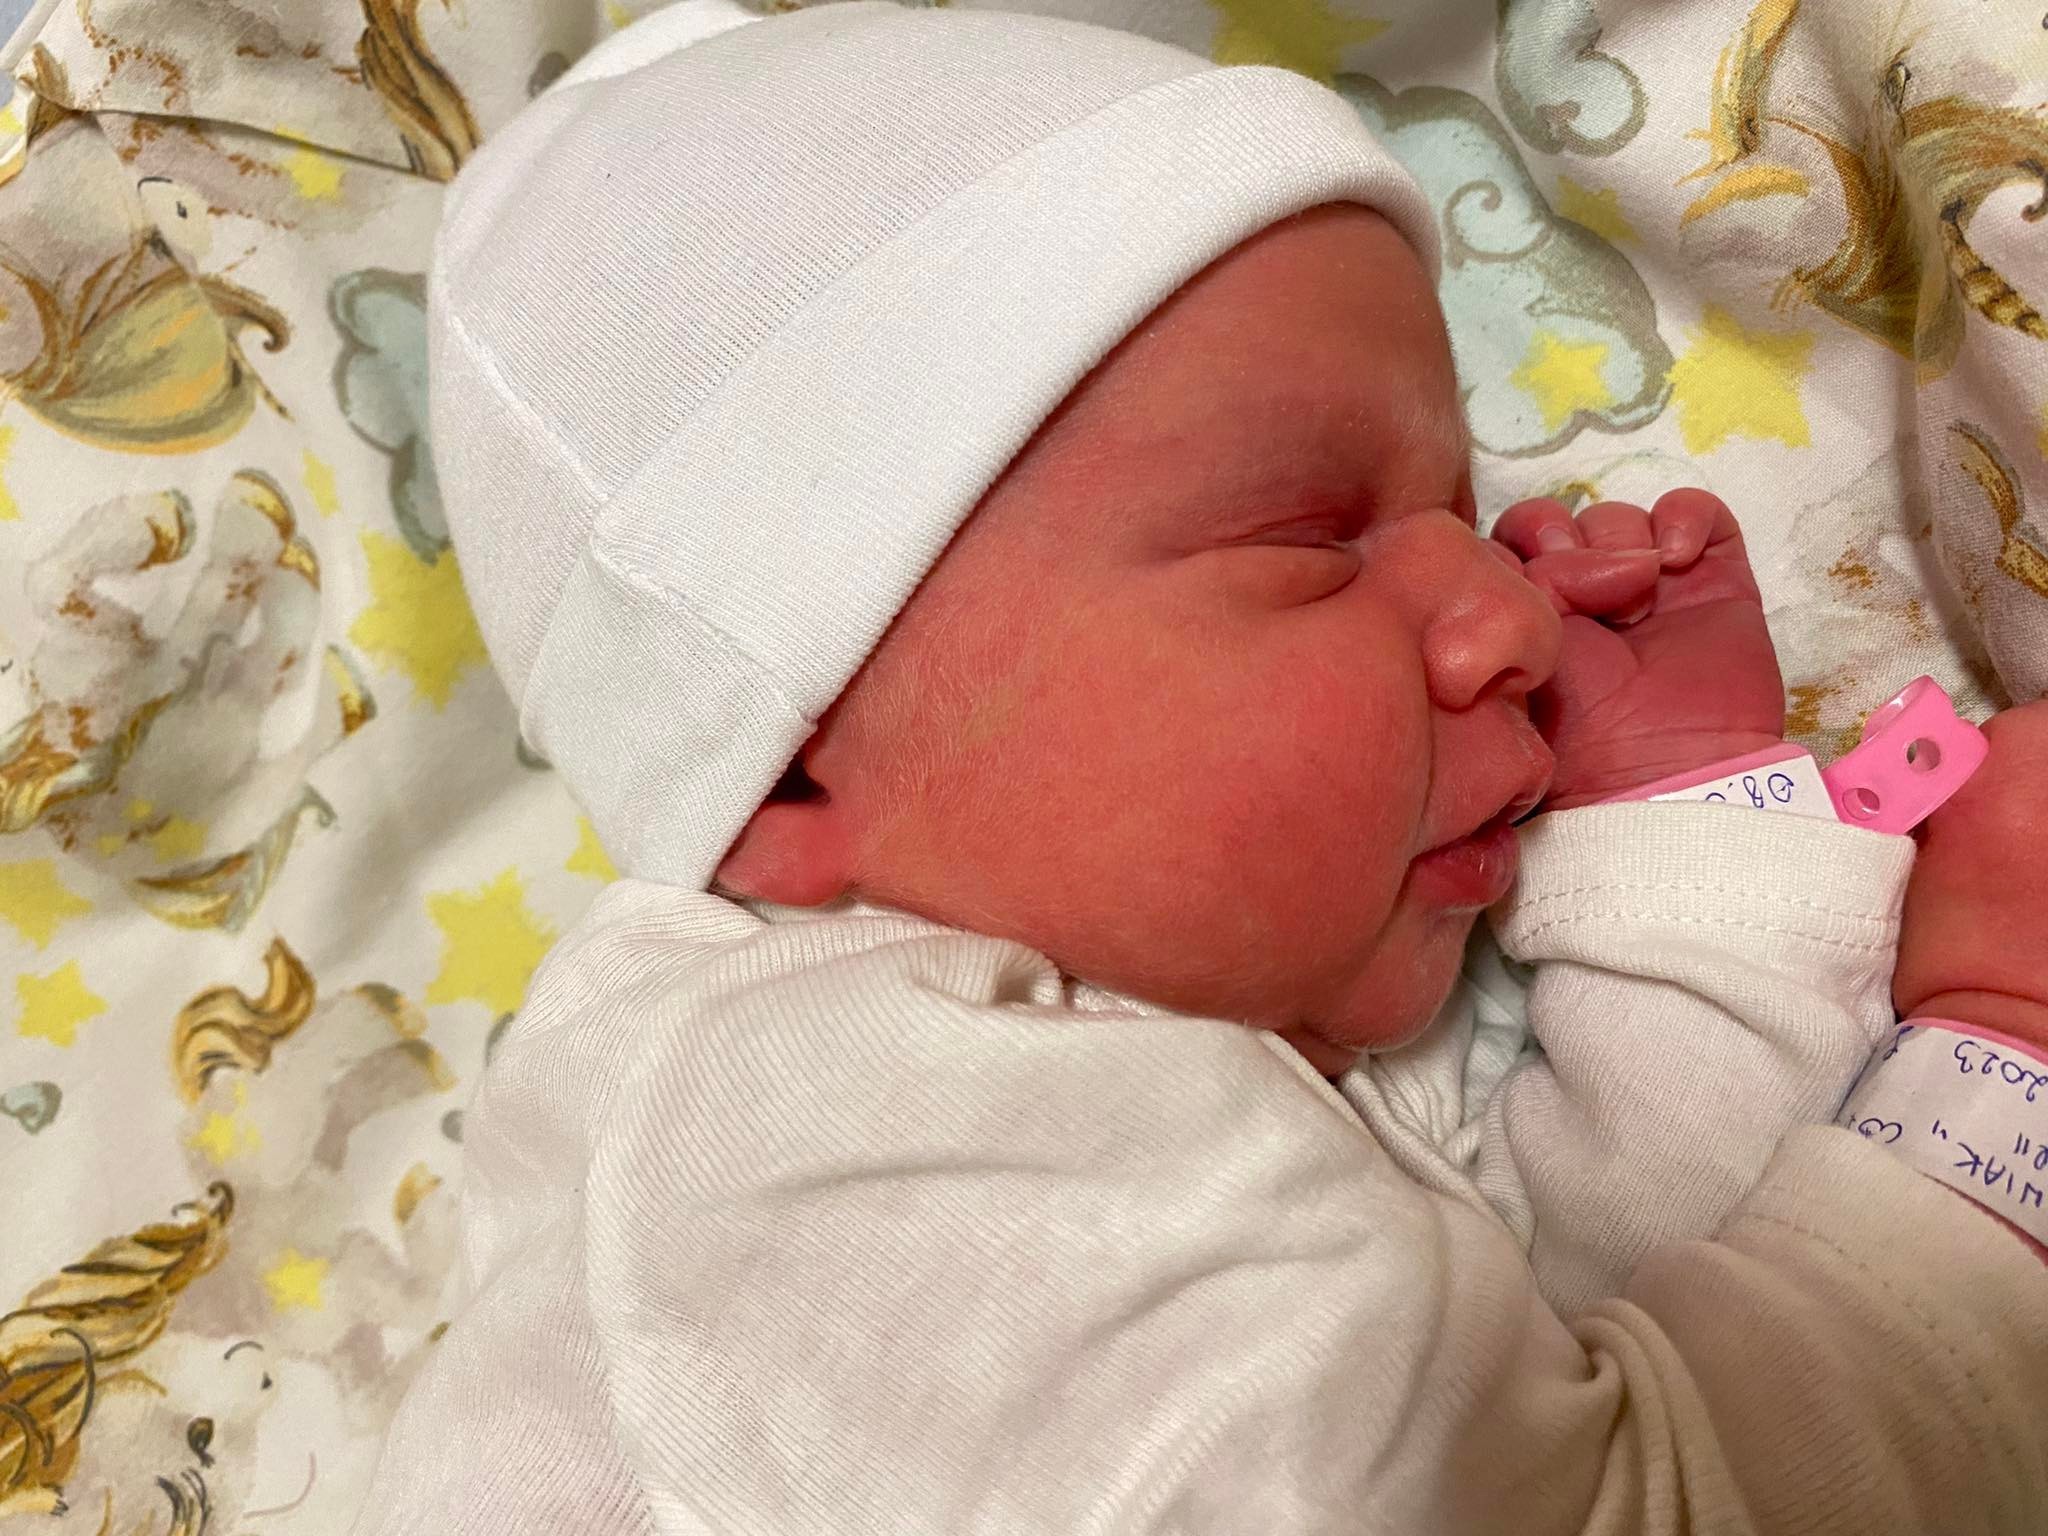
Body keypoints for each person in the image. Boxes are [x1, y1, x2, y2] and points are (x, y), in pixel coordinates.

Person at [350, 3, 2048, 1531]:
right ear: (786, 779)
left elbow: (1579, 1368)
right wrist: (2000, 1066)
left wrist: (1687, 831)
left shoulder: (1169, 1074)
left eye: (1460, 514)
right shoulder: (812, 1136)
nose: (1509, 611)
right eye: (1312, 536)